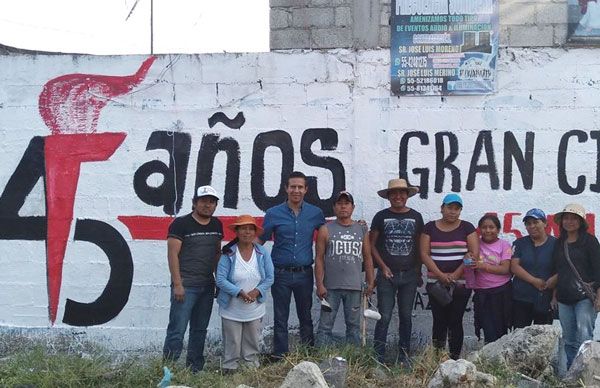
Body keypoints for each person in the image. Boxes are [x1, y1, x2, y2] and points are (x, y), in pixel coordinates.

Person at [259, 171, 325, 359]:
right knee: (281, 317)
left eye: (300, 187)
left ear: (306, 190)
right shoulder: (273, 213)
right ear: (286, 188)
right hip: (280, 274)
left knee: (305, 316)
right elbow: (260, 240)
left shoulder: (315, 213)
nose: (296, 190)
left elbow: (330, 234)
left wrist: (358, 226)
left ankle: (308, 355)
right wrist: (237, 254)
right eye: (293, 186)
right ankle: (280, 356)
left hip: (304, 274)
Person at [163, 185, 223, 372]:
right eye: (203, 201)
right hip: (186, 286)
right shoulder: (180, 224)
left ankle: (194, 369)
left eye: (211, 202)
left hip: (207, 286)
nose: (207, 205)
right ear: (194, 202)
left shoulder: (217, 224)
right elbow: (172, 254)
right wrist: (178, 284)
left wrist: (218, 280)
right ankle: (168, 370)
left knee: (199, 330)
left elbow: (216, 253)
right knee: (177, 330)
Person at [370, 178, 424, 364]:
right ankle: (378, 356)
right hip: (387, 275)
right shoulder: (380, 216)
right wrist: (383, 267)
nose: (398, 196)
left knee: (406, 316)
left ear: (407, 195)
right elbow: (372, 245)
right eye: (394, 193)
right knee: (383, 316)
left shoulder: (416, 217)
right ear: (389, 196)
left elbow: (419, 247)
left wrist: (418, 271)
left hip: (409, 275)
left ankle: (404, 357)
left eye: (402, 193)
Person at [420, 193, 478, 360]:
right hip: (435, 283)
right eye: (449, 208)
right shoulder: (429, 227)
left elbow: (473, 253)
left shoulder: (467, 227)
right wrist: (440, 275)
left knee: (455, 320)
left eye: (456, 208)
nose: (453, 212)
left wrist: (455, 275)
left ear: (460, 211)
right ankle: (437, 358)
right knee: (439, 320)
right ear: (442, 208)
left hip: (460, 284)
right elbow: (424, 254)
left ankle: (454, 360)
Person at [314, 191, 375, 346]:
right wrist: (319, 284)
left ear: (352, 207)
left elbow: (367, 257)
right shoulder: (325, 230)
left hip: (354, 287)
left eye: (346, 203)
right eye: (339, 204)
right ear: (334, 207)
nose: (343, 207)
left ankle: (354, 362)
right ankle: (321, 359)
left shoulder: (361, 229)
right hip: (330, 287)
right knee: (325, 326)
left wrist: (370, 281)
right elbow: (319, 258)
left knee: (354, 327)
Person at [216, 215, 274, 373]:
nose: (247, 232)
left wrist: (257, 291)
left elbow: (270, 278)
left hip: (254, 309)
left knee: (252, 342)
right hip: (231, 309)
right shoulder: (228, 254)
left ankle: (250, 373)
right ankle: (230, 372)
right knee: (232, 343)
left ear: (255, 232)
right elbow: (220, 279)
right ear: (237, 231)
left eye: (250, 229)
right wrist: (239, 292)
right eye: (243, 228)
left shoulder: (262, 253)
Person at [552, 203, 600, 369]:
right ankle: (573, 373)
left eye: (574, 218)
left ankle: (585, 373)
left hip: (585, 298)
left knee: (584, 337)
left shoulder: (590, 241)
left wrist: (598, 297)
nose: (569, 221)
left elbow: (598, 270)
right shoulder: (559, 243)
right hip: (564, 298)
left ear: (581, 222)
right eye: (566, 218)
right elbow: (559, 270)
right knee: (569, 339)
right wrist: (554, 295)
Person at [465, 214, 512, 343]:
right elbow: (469, 267)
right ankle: (491, 359)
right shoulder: (475, 245)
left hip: (502, 292)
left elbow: (505, 269)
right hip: (482, 294)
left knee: (502, 329)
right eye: (484, 227)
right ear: (479, 229)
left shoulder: (504, 245)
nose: (488, 230)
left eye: (492, 227)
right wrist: (468, 261)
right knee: (488, 329)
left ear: (498, 229)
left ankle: (501, 359)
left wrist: (483, 266)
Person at [510, 208, 557, 328]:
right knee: (519, 336)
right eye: (528, 223)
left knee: (542, 338)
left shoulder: (556, 244)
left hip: (545, 299)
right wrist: (534, 281)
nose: (532, 226)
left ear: (545, 223)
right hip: (521, 297)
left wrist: (554, 297)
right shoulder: (519, 243)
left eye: (536, 222)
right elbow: (514, 266)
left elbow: (561, 270)